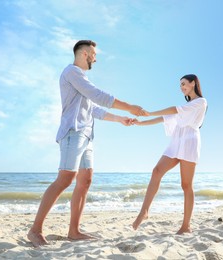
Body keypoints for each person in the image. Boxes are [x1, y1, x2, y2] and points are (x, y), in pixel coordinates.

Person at [28, 40, 146, 247]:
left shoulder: (81, 78)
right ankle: (35, 230)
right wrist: (129, 107)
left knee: (85, 180)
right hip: (73, 133)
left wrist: (121, 119)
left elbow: (95, 110)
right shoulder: (72, 72)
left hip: (86, 135)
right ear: (84, 53)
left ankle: (74, 230)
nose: (95, 58)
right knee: (65, 179)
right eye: (93, 54)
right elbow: (98, 96)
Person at [132, 74, 207, 234]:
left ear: (193, 83)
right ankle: (144, 212)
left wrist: (149, 112)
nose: (182, 88)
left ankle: (186, 226)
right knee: (156, 171)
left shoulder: (201, 102)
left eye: (184, 84)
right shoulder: (184, 108)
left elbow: (173, 109)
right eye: (180, 85)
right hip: (176, 141)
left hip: (189, 142)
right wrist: (140, 123)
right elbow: (163, 118)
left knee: (186, 185)